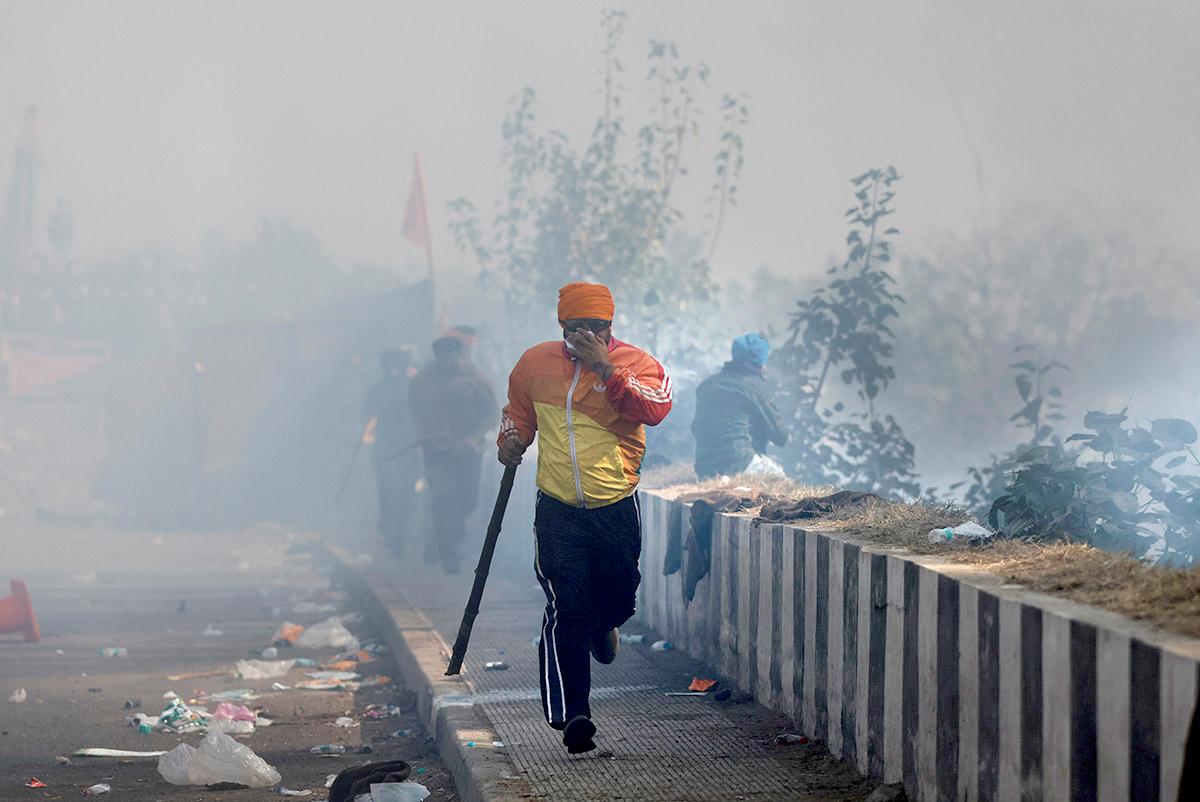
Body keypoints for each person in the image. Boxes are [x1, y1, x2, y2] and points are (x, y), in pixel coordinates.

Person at [497, 281, 673, 754]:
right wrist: (511, 441)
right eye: (578, 328)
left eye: (597, 327)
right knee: (565, 605)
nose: (587, 335)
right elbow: (517, 413)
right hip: (556, 508)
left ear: (611, 327)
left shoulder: (638, 364)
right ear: (563, 327)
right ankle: (574, 714)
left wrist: (604, 368)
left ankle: (606, 624)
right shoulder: (535, 363)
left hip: (615, 504)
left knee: (617, 596)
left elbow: (654, 410)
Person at [409, 334, 496, 573]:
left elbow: (491, 413)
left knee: (467, 502)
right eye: (443, 359)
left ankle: (436, 537)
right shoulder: (422, 381)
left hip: (468, 451)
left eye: (452, 358)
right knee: (445, 497)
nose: (449, 363)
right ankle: (449, 552)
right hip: (437, 451)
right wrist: (428, 434)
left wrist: (473, 438)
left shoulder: (476, 379)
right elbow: (415, 412)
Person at [691, 333, 788, 479]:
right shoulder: (755, 388)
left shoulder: (706, 385)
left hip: (704, 469)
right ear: (759, 363)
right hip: (740, 464)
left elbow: (695, 427)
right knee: (780, 480)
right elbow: (780, 436)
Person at [362, 348, 419, 555]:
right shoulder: (378, 389)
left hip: (409, 445)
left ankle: (403, 528)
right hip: (386, 446)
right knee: (388, 488)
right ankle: (389, 528)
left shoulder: (415, 387)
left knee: (406, 489)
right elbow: (366, 414)